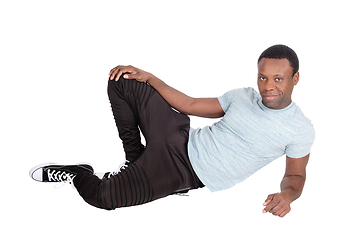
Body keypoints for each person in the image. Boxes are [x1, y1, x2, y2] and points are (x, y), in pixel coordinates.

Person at [29, 44, 314, 217]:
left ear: (295, 78)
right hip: (178, 137)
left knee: (102, 198)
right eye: (263, 77)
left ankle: (78, 173)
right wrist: (149, 76)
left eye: (278, 78)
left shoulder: (300, 129)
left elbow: (295, 175)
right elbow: (188, 103)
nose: (268, 86)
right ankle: (134, 158)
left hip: (183, 172)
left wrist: (287, 196)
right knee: (122, 80)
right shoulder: (243, 96)